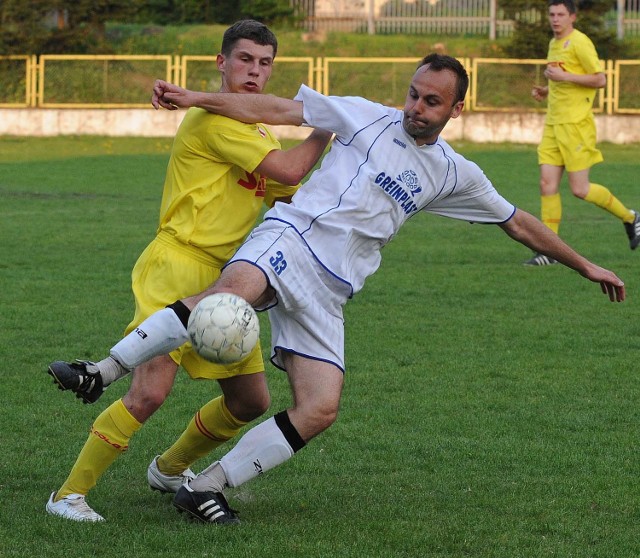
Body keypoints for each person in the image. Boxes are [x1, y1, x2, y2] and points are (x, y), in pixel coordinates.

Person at [53, 53, 626, 525]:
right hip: (292, 236)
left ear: (456, 107)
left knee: (320, 408)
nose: (416, 108)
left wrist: (586, 265)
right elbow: (275, 107)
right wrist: (198, 97)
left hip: (331, 291)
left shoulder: (454, 173)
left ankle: (205, 486)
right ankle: (99, 371)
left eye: (431, 101)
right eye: (413, 94)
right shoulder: (363, 115)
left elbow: (518, 221)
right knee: (229, 296)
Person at [45, 20, 332, 523]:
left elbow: (287, 189)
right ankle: (68, 495)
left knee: (249, 401)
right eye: (244, 59)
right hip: (176, 266)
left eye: (265, 63)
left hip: (225, 283)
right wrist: (330, 124)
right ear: (221, 63)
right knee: (149, 392)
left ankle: (168, 469)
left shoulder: (258, 129)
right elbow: (288, 170)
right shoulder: (212, 122)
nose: (255, 72)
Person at [525, 0, 640, 266]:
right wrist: (546, 90)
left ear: (572, 17)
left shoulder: (580, 42)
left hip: (576, 125)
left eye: (561, 15)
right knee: (547, 185)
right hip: (553, 125)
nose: (555, 19)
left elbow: (600, 79)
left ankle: (631, 217)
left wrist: (564, 79)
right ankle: (549, 250)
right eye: (552, 14)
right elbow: (562, 79)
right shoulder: (554, 44)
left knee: (580, 189)